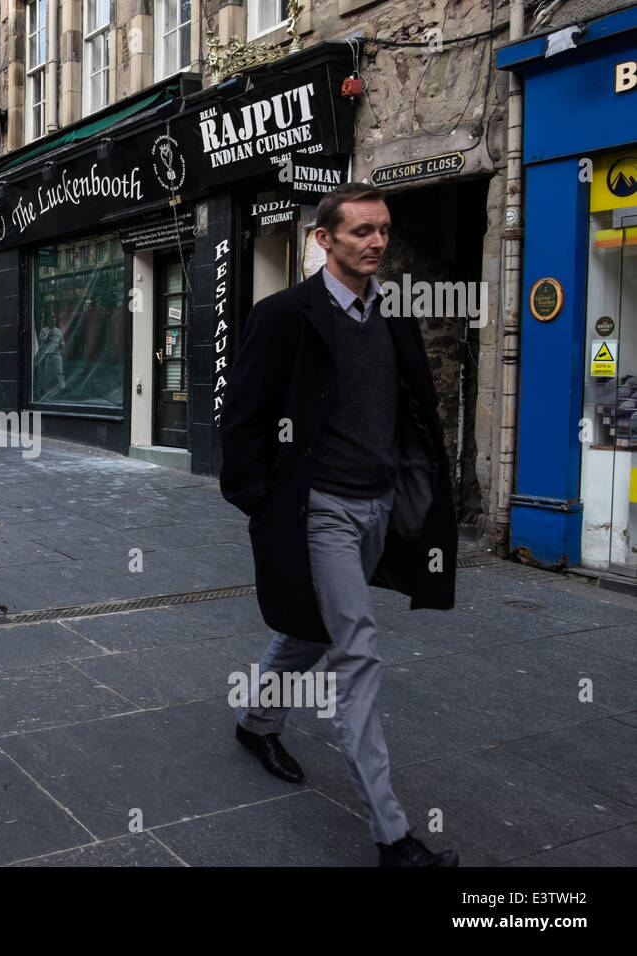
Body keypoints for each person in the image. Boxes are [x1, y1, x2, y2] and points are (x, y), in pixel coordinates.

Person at [219, 182, 459, 868]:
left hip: (381, 505)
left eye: (382, 230)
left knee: (309, 629)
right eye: (361, 232)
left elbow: (410, 411)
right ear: (323, 239)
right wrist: (265, 502)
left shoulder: (395, 313)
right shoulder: (285, 315)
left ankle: (256, 721)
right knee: (356, 650)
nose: (377, 241)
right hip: (318, 509)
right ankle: (394, 838)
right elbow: (241, 422)